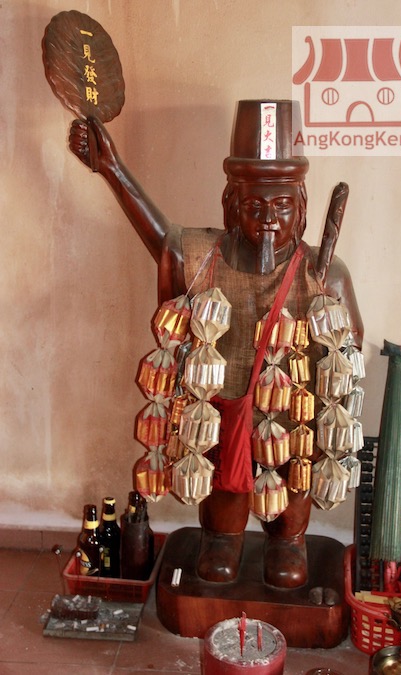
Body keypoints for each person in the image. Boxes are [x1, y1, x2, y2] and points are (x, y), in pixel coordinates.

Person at [69, 100, 363, 588]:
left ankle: (286, 540)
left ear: (303, 208)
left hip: (294, 416)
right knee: (222, 492)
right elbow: (163, 241)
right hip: (222, 408)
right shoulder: (207, 256)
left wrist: (327, 332)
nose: (268, 220)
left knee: (291, 492)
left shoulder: (326, 273)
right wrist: (113, 170)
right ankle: (222, 537)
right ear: (230, 204)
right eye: (254, 206)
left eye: (282, 206)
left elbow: (352, 347)